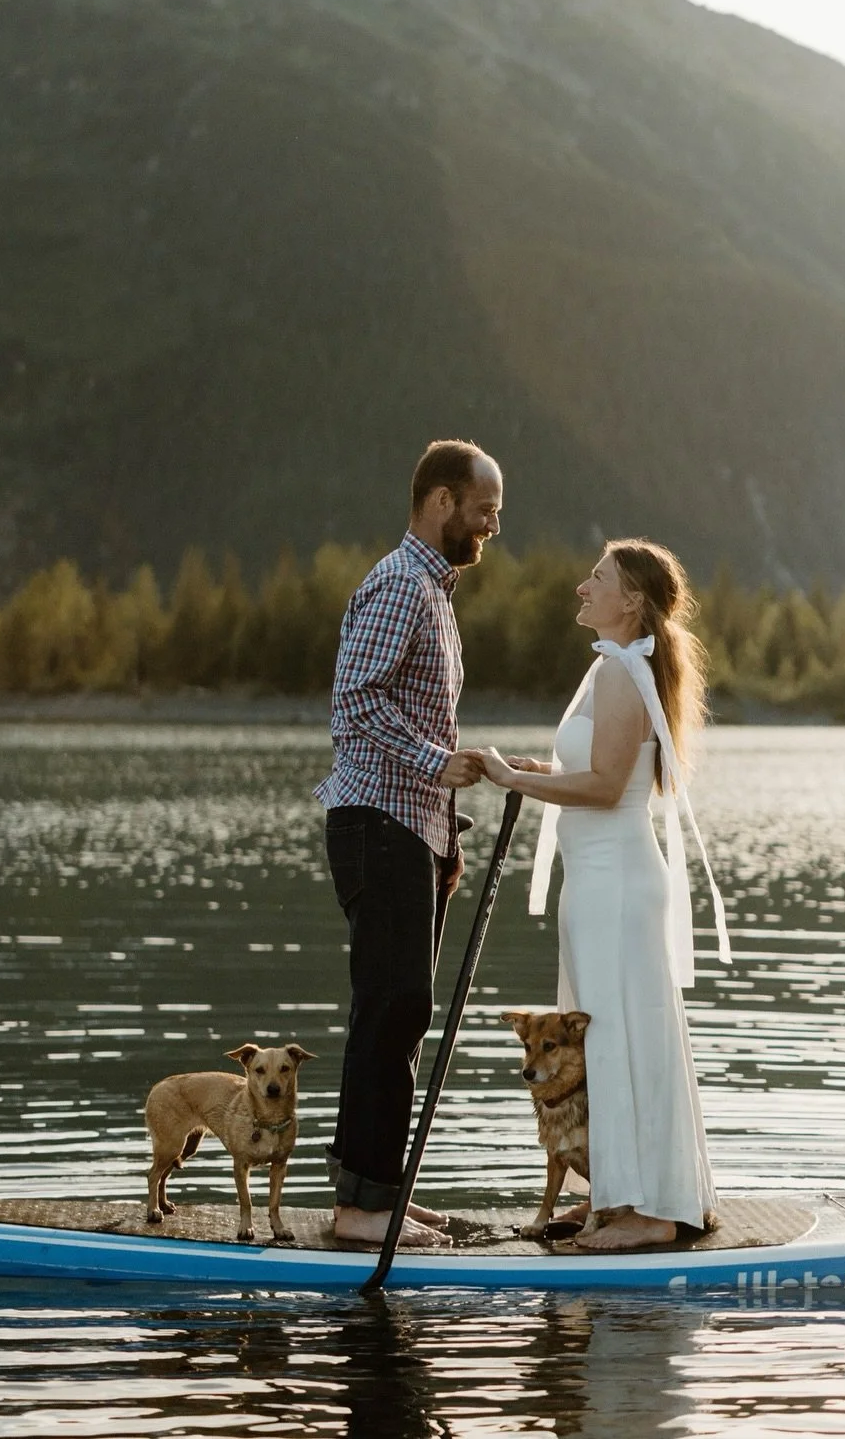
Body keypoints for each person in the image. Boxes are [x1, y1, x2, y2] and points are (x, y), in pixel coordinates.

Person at [477, 539, 731, 1252]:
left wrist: (513, 780)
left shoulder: (624, 671)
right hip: (596, 884)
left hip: (616, 886)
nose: (582, 587)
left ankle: (651, 1211)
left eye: (598, 578)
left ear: (632, 601)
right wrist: (537, 769)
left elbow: (607, 787)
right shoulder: (610, 668)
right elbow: (592, 769)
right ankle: (613, 1197)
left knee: (620, 1040)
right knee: (602, 1042)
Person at [316, 439, 503, 1248]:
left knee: (401, 1012)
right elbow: (353, 701)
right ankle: (361, 1208)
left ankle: (380, 1193)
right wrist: (436, 764)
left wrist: (444, 834)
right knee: (391, 1007)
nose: (493, 525)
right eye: (484, 509)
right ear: (440, 501)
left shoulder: (433, 591)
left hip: (408, 827)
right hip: (377, 823)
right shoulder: (401, 584)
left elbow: (407, 711)